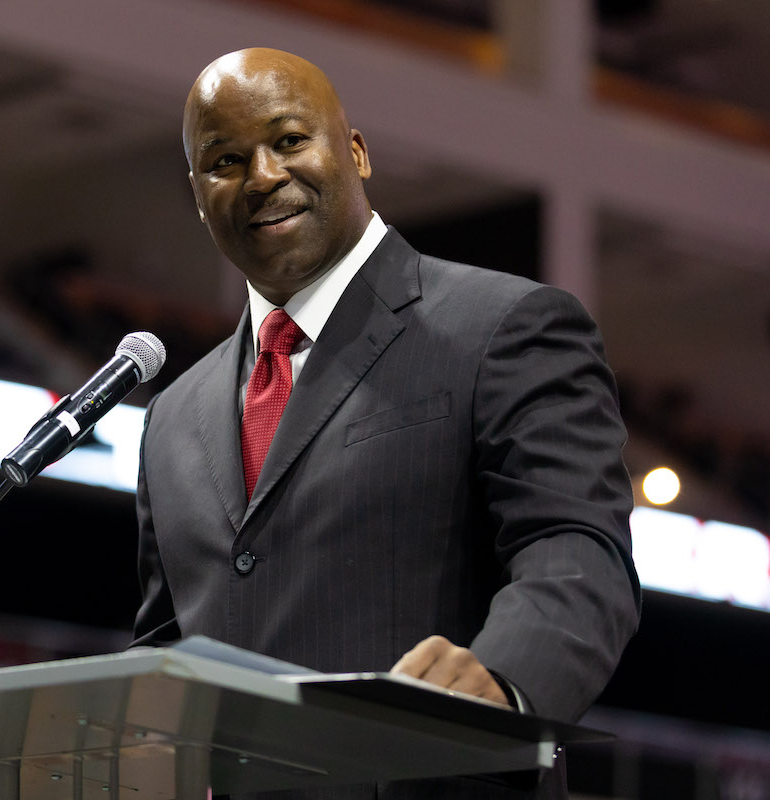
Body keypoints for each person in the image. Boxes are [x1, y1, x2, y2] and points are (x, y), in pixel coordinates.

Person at [130, 48, 641, 799]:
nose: (264, 175)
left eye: (290, 140)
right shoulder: (171, 417)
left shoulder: (503, 326)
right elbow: (161, 658)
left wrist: (501, 680)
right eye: (227, 159)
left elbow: (576, 551)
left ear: (357, 152)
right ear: (199, 192)